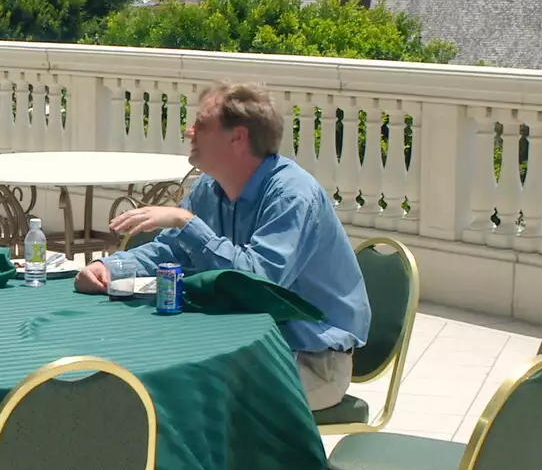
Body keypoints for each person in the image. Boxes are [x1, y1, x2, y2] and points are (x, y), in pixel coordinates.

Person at [74, 82, 370, 411]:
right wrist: (110, 268)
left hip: (310, 361)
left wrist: (187, 223)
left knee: (188, 401)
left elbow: (259, 282)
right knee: (134, 376)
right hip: (243, 351)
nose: (189, 131)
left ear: (237, 138)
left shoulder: (292, 195)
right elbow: (169, 252)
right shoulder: (209, 189)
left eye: (201, 124)